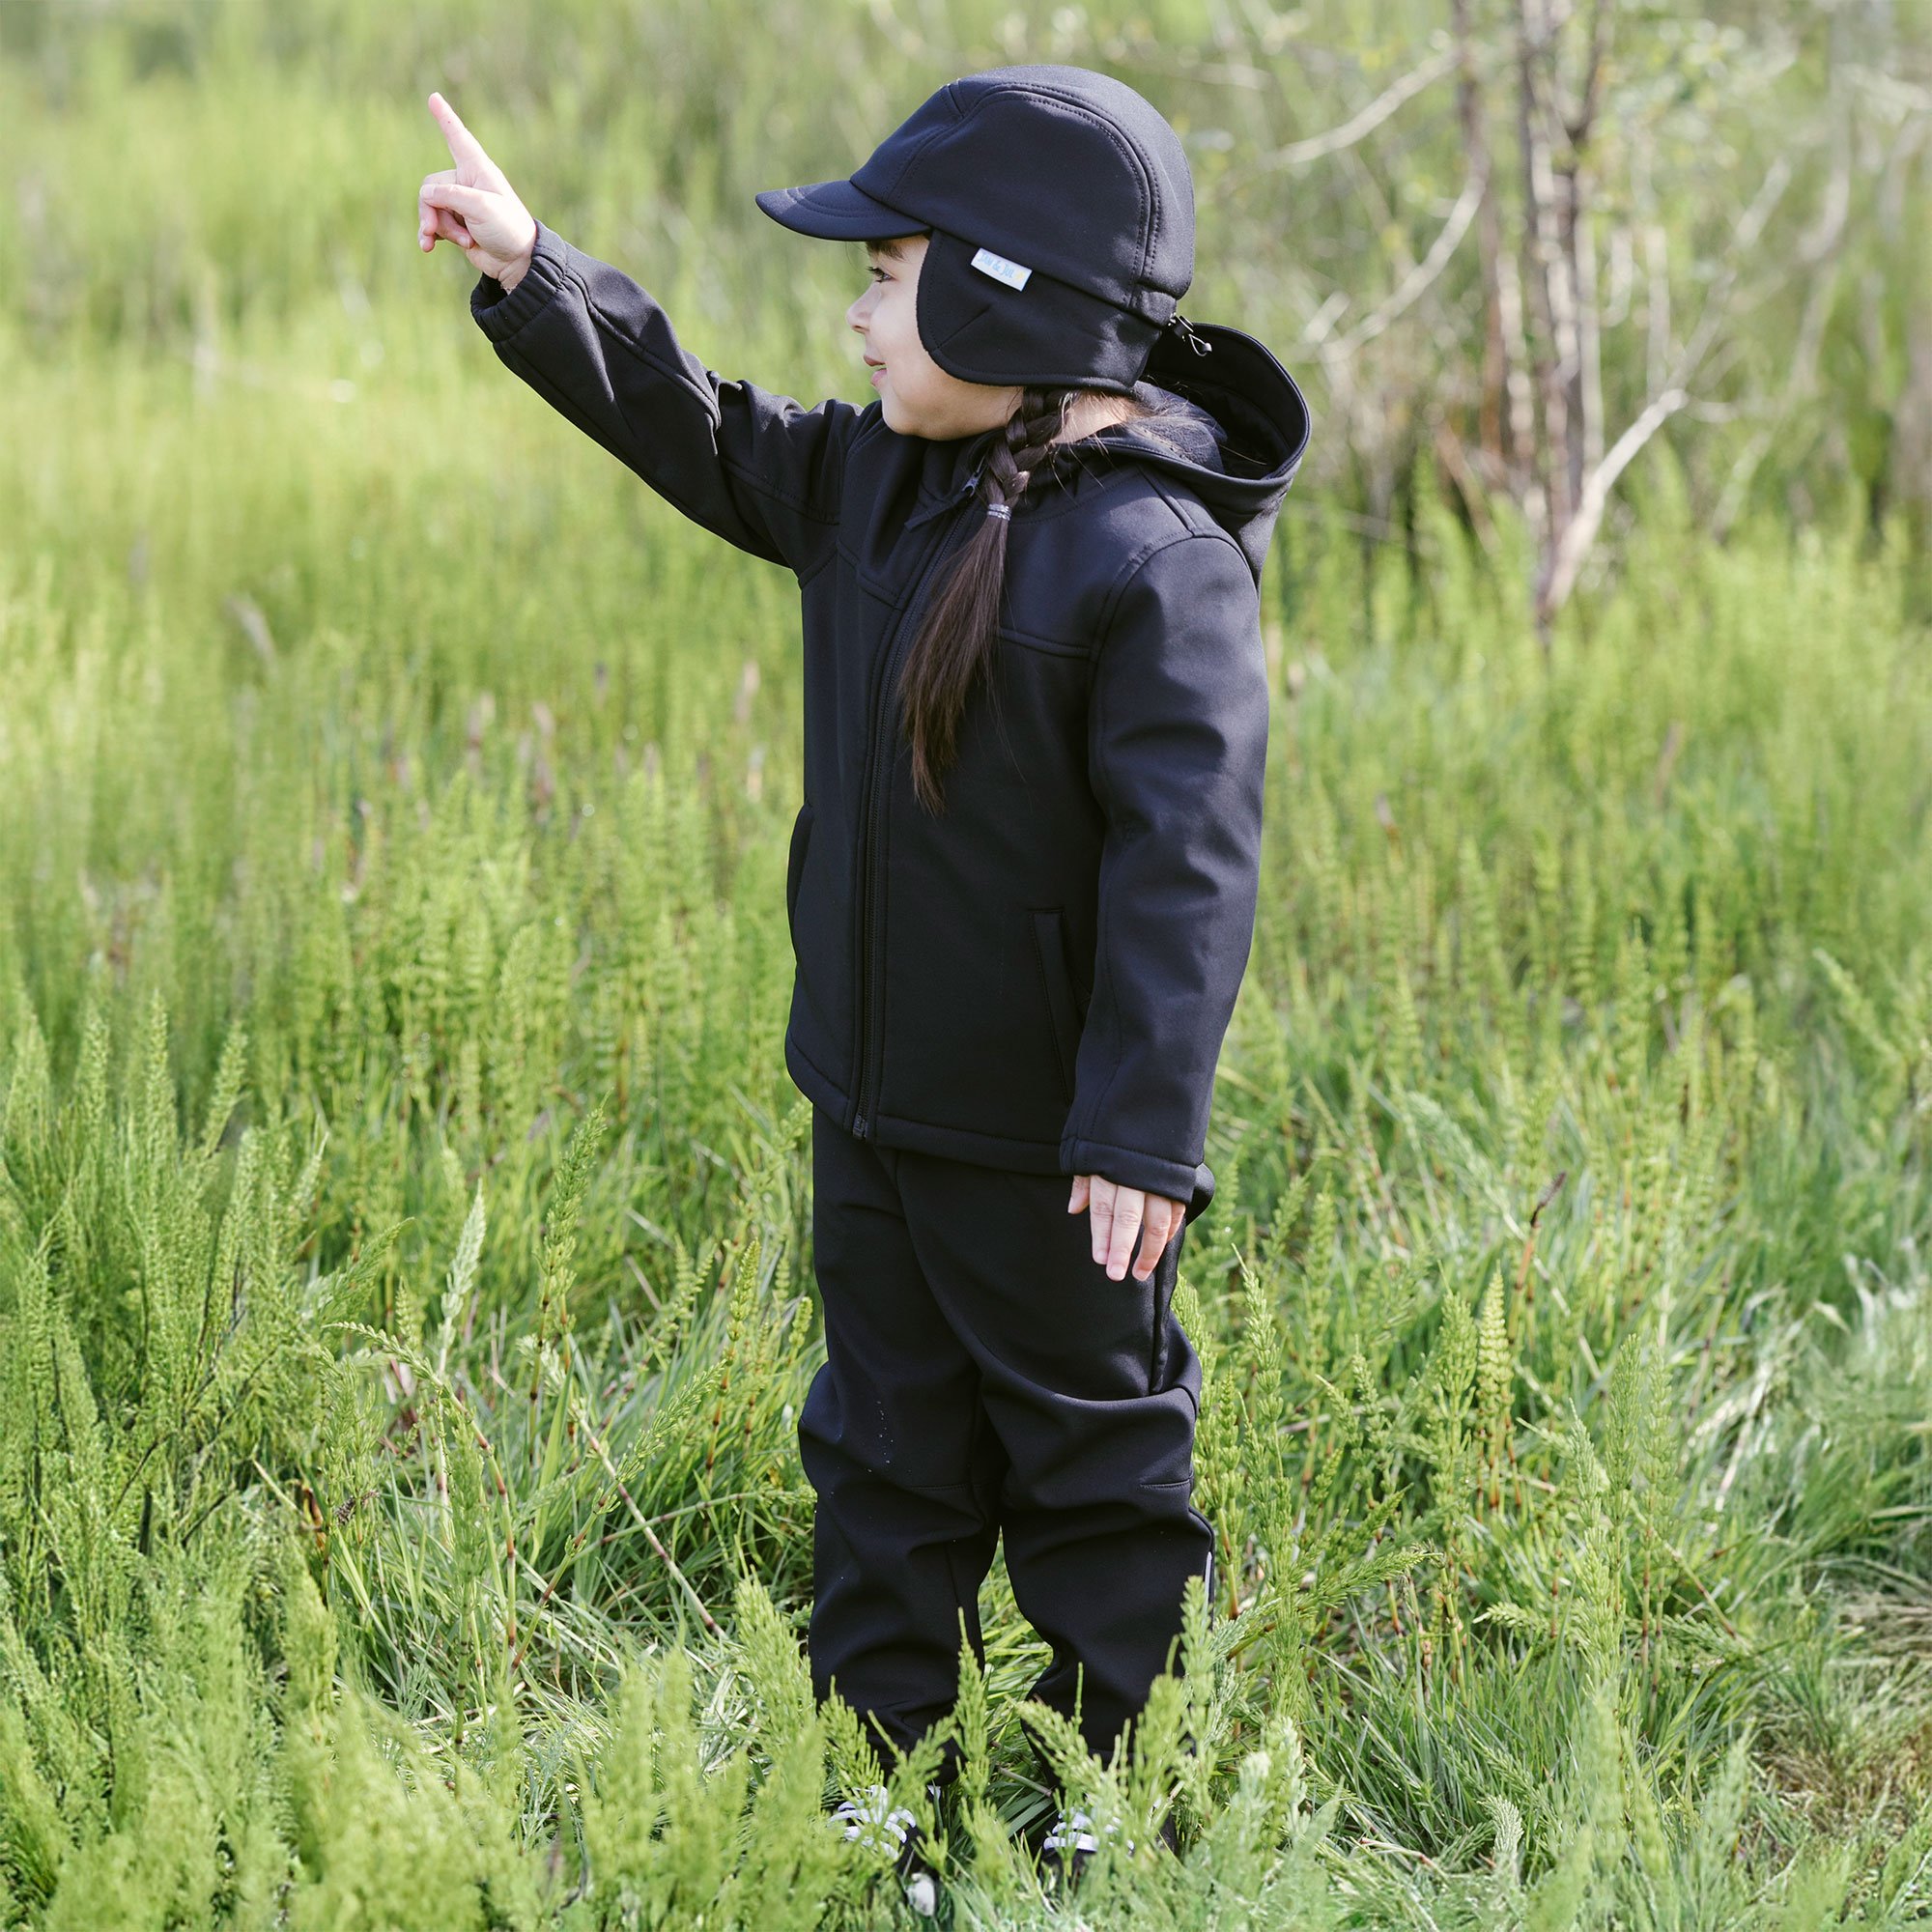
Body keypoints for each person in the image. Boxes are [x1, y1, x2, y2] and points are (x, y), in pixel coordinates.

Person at [418, 63, 1310, 1904]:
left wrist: (1140, 1131)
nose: (857, 313)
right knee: (885, 1456)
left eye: (889, 277)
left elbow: (1188, 871)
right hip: (875, 1102)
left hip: (1059, 1153)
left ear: (1007, 299)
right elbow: (704, 427)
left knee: (1092, 1469)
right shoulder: (878, 479)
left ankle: (1111, 1787)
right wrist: (531, 269)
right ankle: (874, 1788)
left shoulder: (1157, 565)